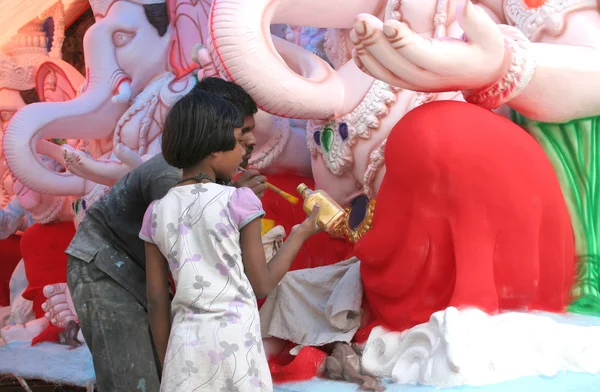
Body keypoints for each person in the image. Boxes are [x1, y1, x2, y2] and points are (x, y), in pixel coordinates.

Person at [60, 78, 265, 392]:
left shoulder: (208, 182)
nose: (251, 141)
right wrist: (240, 199)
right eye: (243, 131)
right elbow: (199, 241)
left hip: (142, 272)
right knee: (133, 380)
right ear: (212, 127)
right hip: (103, 269)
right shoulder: (171, 178)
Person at [140, 89, 321, 391]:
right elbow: (261, 284)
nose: (245, 148)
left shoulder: (156, 212)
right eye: (239, 140)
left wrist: (167, 362)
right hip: (236, 346)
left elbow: (157, 300)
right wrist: (300, 233)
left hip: (185, 348)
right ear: (213, 147)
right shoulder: (239, 201)